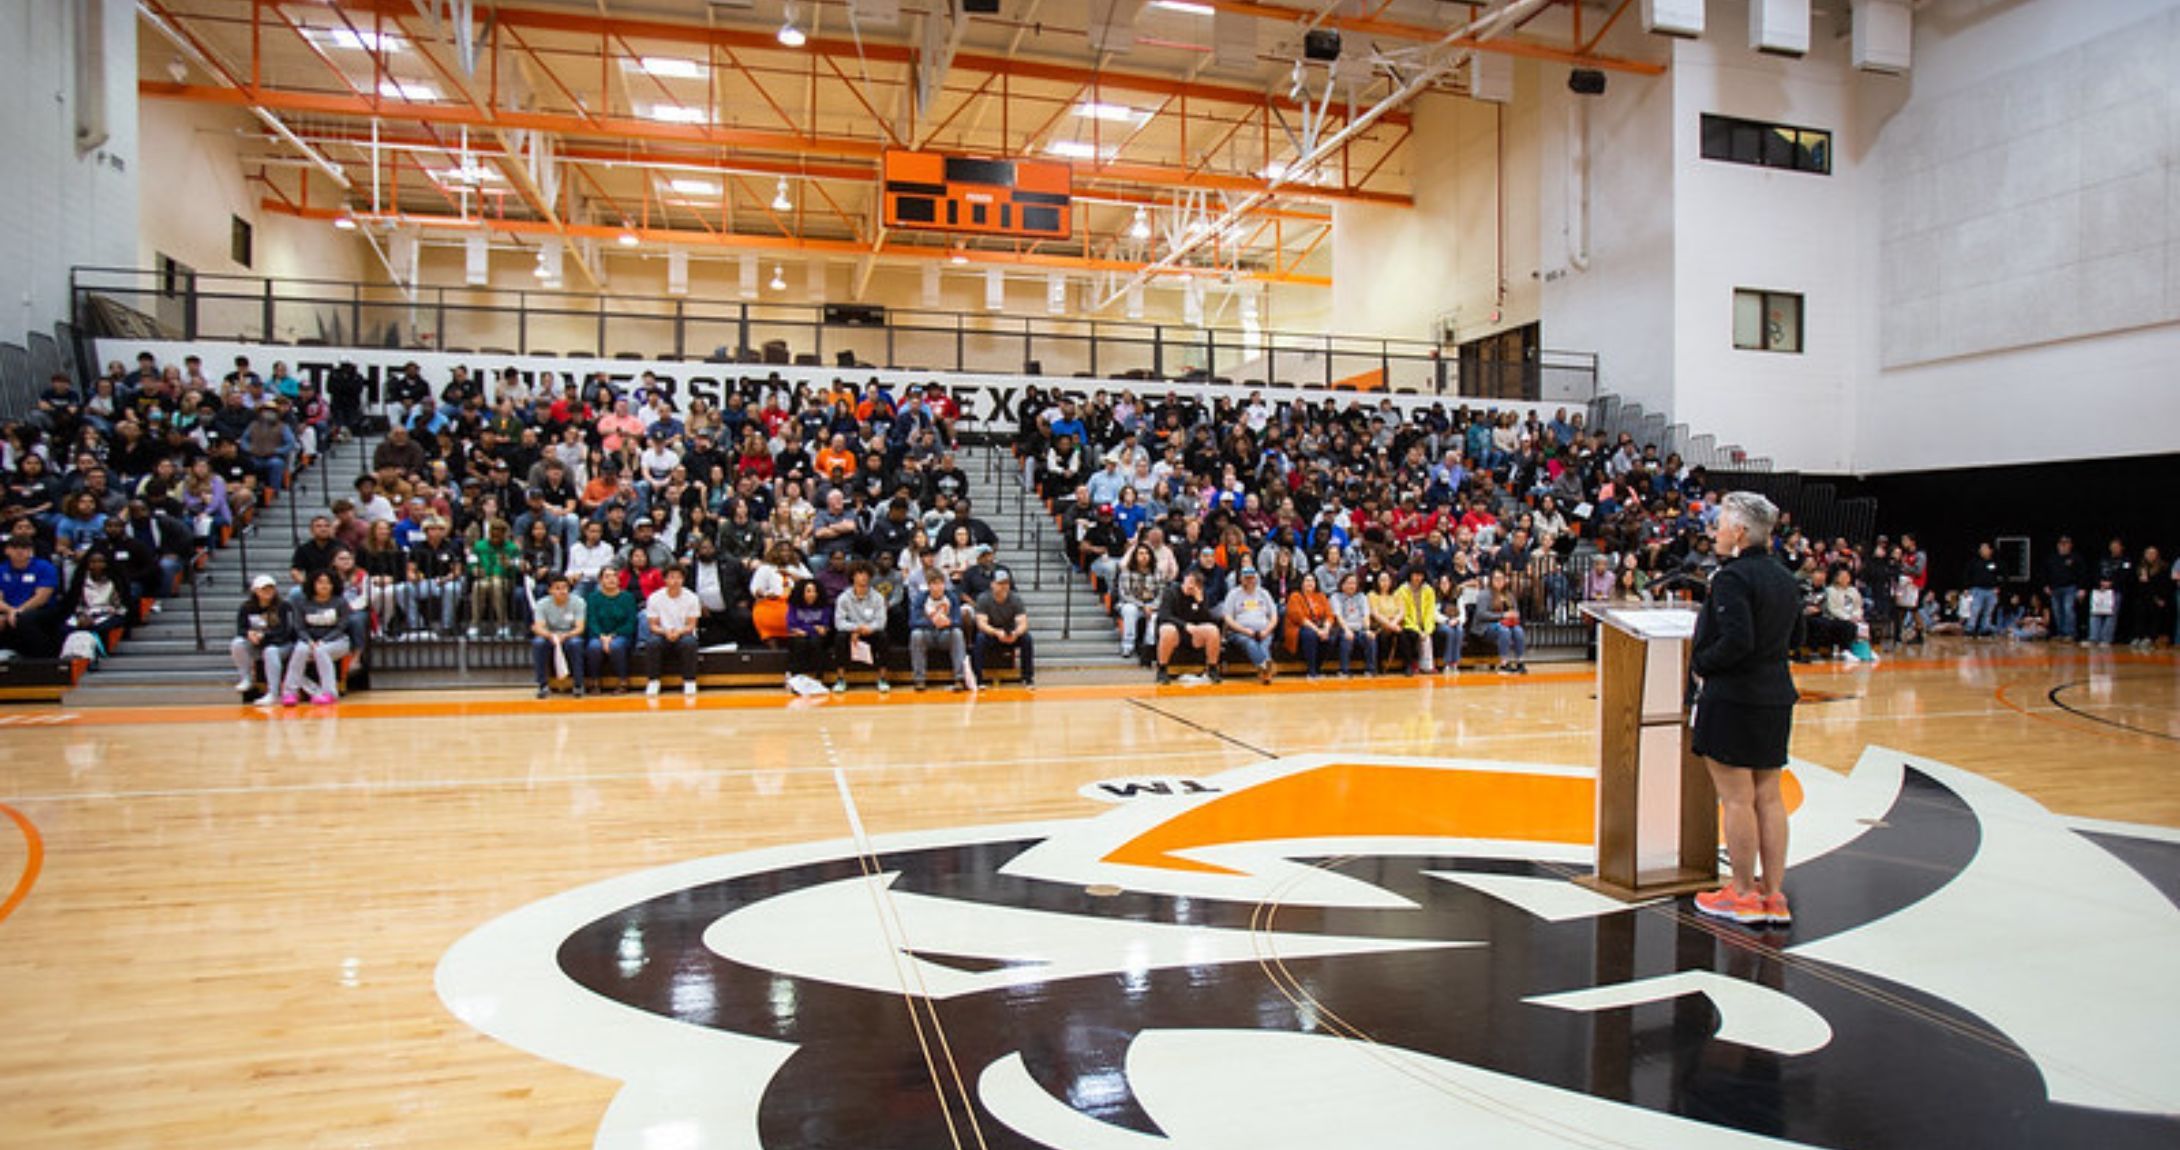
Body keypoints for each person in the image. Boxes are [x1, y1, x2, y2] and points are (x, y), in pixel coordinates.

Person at [1689, 491, 1801, 929]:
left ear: (1738, 532)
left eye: (1719, 525)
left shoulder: (1732, 578)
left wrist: (1702, 662)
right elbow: (1798, 632)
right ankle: (1772, 894)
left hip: (1735, 697)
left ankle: (1740, 893)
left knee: (1736, 798)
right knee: (1769, 797)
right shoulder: (1785, 577)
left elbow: (1738, 640)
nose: (1715, 532)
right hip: (1775, 694)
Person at [282, 570, 353, 706]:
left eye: (328, 583)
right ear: (313, 584)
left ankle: (329, 693)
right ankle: (290, 692)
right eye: (320, 582)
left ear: (333, 585)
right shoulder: (302, 602)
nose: (324, 586)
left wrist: (323, 641)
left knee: (321, 651)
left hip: (336, 640)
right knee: (300, 651)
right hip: (308, 640)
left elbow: (341, 627)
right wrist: (309, 641)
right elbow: (299, 627)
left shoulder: (340, 602)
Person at [909, 561, 975, 692]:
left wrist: (949, 622)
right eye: (934, 584)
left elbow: (958, 620)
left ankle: (959, 678)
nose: (937, 587)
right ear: (929, 586)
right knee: (916, 635)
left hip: (945, 634)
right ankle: (919, 679)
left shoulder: (951, 597)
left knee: (957, 633)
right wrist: (932, 622)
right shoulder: (921, 598)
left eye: (940, 583)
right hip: (928, 634)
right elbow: (913, 622)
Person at [230, 575, 295, 699]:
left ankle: (273, 692)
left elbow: (285, 631)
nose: (268, 592)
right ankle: (246, 678)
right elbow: (241, 629)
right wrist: (249, 634)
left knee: (270, 651)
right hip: (257, 643)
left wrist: (264, 636)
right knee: (237, 643)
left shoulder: (284, 606)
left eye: (271, 588)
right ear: (256, 590)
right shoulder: (246, 607)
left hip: (281, 645)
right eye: (264, 589)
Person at [642, 563, 703, 697]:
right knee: (652, 643)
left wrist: (678, 632)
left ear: (683, 580)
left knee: (689, 643)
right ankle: (653, 681)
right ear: (665, 579)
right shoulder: (655, 598)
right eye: (671, 577)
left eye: (678, 578)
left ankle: (689, 681)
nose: (675, 581)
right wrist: (666, 632)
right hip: (662, 633)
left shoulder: (692, 598)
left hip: (683, 633)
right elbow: (653, 625)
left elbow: (691, 624)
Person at [1154, 567, 1223, 685]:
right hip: (1175, 632)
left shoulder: (1201, 595)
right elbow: (1164, 615)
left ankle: (1212, 668)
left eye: (1195, 584)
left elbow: (1207, 619)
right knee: (1168, 630)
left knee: (1212, 630)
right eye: (1190, 582)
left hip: (1193, 634)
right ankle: (1162, 669)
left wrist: (1201, 603)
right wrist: (1184, 625)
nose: (1191, 586)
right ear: (1184, 580)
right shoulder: (1171, 592)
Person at [832, 561, 892, 694]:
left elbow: (881, 621)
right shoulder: (844, 598)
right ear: (853, 576)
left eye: (866, 574)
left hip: (871, 632)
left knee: (883, 636)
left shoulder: (877, 597)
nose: (863, 577)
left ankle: (882, 678)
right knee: (840, 638)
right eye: (859, 574)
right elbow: (839, 622)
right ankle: (841, 679)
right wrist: (856, 628)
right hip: (852, 634)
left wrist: (868, 628)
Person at [0, 535, 65, 658]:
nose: (19, 551)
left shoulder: (44, 567)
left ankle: (43, 657)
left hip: (42, 610)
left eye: (24, 548)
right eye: (14, 547)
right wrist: (10, 611)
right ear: (7, 550)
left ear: (31, 551)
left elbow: (41, 598)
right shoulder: (1, 569)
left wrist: (19, 611)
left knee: (24, 619)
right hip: (10, 610)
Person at [972, 569, 1034, 690]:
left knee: (1027, 639)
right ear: (992, 584)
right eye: (1000, 583)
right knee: (979, 639)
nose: (1003, 587)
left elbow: (1023, 623)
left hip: (1010, 634)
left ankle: (1028, 678)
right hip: (992, 634)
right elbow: (981, 624)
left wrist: (1016, 633)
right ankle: (979, 679)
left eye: (1006, 583)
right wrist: (996, 632)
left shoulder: (1015, 599)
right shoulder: (983, 598)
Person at [583, 566, 641, 692]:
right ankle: (594, 681)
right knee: (594, 647)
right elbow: (591, 620)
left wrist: (612, 636)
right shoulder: (593, 598)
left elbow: (630, 622)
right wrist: (602, 636)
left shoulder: (628, 597)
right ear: (600, 580)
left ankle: (623, 680)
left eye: (614, 576)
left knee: (616, 646)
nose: (611, 579)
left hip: (621, 635)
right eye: (607, 576)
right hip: (599, 635)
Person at [530, 574, 587, 699]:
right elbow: (538, 627)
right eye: (557, 588)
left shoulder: (578, 602)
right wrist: (551, 636)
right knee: (538, 643)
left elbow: (580, 627)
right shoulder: (542, 604)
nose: (562, 591)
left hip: (570, 635)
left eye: (565, 588)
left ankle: (578, 684)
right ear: (550, 590)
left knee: (576, 643)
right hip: (550, 635)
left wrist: (566, 635)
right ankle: (542, 685)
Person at [1221, 566, 1281, 683]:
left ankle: (1264, 673)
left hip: (1264, 630)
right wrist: (1245, 631)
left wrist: (1266, 631)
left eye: (1251, 578)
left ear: (1256, 579)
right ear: (1241, 579)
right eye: (1246, 578)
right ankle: (1267, 667)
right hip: (1240, 632)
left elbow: (1274, 616)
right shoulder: (1233, 594)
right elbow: (1228, 618)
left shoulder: (1264, 593)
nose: (1249, 581)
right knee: (1250, 644)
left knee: (1264, 645)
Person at [1471, 567, 1529, 674]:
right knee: (1504, 630)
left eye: (1501, 579)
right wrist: (1503, 615)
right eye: (1496, 579)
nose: (1499, 582)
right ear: (1491, 580)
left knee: (1518, 630)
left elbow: (1516, 611)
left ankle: (1520, 661)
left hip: (1507, 624)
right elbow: (1481, 614)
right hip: (1486, 626)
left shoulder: (1509, 595)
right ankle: (1503, 663)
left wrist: (1514, 615)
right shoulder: (1484, 594)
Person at [470, 519, 521, 638]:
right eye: (493, 533)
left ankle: (503, 625)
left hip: (505, 580)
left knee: (497, 585)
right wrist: (474, 569)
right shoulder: (479, 546)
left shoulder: (512, 548)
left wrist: (509, 565)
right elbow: (471, 562)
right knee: (478, 586)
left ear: (504, 534)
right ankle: (474, 625)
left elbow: (517, 568)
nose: (496, 537)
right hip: (484, 578)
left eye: (499, 534)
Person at [1116, 544, 1165, 661]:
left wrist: (1152, 606)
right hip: (1132, 604)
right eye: (1141, 553)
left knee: (1154, 617)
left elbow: (1161, 594)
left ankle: (1148, 648)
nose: (1144, 556)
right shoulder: (1126, 571)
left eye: (1147, 553)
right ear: (1135, 556)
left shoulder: (1157, 572)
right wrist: (1142, 606)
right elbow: (1125, 594)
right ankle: (1128, 645)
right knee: (1129, 610)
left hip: (1152, 606)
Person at [1283, 571, 1336, 680]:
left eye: (1312, 581)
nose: (1309, 583)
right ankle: (1311, 671)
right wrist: (1318, 631)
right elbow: (1299, 618)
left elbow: (1329, 615)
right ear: (1302, 583)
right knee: (1310, 635)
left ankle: (1318, 668)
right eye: (1307, 581)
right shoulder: (1295, 596)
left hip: (1319, 627)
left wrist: (1326, 629)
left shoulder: (1321, 596)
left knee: (1331, 637)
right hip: (1299, 628)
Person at [784, 578, 833, 688]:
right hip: (800, 636)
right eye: (809, 591)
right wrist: (813, 628)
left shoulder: (824, 606)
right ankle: (794, 676)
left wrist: (805, 629)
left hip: (816, 637)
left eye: (815, 591)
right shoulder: (794, 606)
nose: (812, 594)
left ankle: (819, 677)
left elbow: (824, 627)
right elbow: (791, 625)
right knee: (799, 642)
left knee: (816, 642)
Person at [1328, 570, 1377, 677]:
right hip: (1343, 628)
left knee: (1370, 637)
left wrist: (1367, 629)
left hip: (1359, 629)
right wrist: (1347, 630)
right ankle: (1344, 670)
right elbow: (1338, 616)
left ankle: (1370, 669)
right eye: (1349, 583)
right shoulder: (1335, 597)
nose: (1352, 586)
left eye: (1354, 583)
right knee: (1347, 637)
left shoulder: (1361, 597)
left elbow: (1366, 615)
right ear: (1342, 584)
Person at [2041, 535, 2087, 643]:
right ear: (2058, 545)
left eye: (2066, 544)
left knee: (2068, 610)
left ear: (2070, 545)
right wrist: (2045, 585)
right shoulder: (2052, 558)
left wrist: (2082, 588)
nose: (2064, 546)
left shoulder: (2075, 558)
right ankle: (2061, 633)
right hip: (2055, 589)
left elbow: (2082, 574)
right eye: (2062, 544)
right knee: (2057, 612)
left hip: (2070, 588)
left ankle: (2070, 633)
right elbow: (2045, 572)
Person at [1960, 541, 2001, 638]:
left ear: (1990, 551)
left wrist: (1998, 587)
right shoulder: (1974, 562)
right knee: (1975, 610)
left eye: (1985, 549)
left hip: (1991, 591)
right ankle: (1970, 628)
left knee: (1988, 611)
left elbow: (2002, 575)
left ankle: (1985, 628)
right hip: (1977, 590)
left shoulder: (1995, 563)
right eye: (1981, 549)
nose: (1983, 551)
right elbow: (1966, 574)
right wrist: (1966, 588)